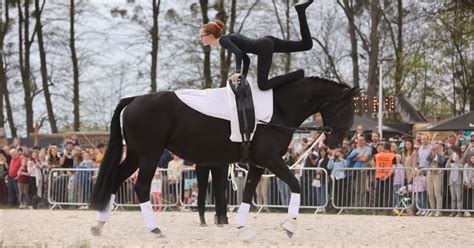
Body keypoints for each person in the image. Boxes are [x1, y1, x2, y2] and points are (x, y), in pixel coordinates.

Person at [199, 0, 314, 91]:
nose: (201, 40)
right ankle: (301, 10)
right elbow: (246, 59)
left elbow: (238, 53)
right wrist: (242, 78)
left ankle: (298, 74)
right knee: (306, 45)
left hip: (264, 47)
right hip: (267, 42)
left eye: (201, 36)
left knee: (263, 85)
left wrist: (238, 72)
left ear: (210, 36)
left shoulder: (223, 40)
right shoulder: (227, 39)